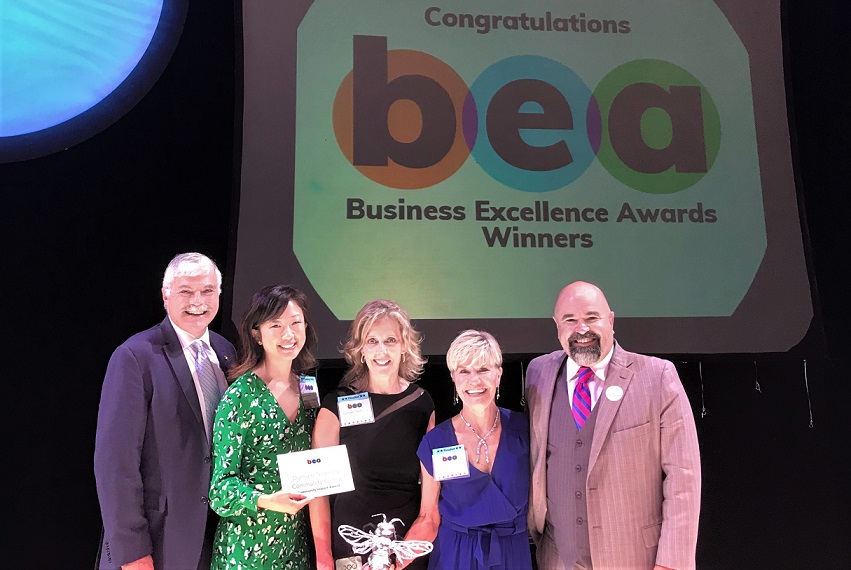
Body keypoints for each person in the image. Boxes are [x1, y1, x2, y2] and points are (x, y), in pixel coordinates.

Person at [526, 281, 701, 570]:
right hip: (557, 559)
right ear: (557, 326)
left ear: (611, 320)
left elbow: (683, 478)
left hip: (635, 559)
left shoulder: (657, 377)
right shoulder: (539, 374)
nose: (581, 328)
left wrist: (672, 563)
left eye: (592, 317)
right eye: (570, 320)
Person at [95, 253, 236, 570]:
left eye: (208, 290)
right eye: (186, 291)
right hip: (159, 542)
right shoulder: (134, 356)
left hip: (217, 538)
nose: (198, 301)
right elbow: (115, 463)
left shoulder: (227, 353)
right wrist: (131, 552)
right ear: (165, 294)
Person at [311, 300, 435, 570]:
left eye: (390, 340)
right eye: (372, 341)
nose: (382, 350)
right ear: (360, 350)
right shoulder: (335, 405)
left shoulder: (423, 404)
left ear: (404, 347)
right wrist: (323, 556)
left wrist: (396, 560)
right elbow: (319, 494)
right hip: (349, 546)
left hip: (405, 545)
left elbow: (430, 508)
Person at [208, 284, 319, 569]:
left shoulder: (309, 388)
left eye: (296, 323)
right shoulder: (239, 397)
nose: (288, 334)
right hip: (247, 550)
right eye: (276, 325)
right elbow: (220, 490)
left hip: (296, 549)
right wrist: (268, 500)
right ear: (257, 333)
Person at [410, 330, 532, 570]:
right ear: (453, 378)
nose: (474, 380)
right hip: (454, 555)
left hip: (512, 554)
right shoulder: (436, 442)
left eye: (483, 370)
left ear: (499, 375)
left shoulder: (526, 430)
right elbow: (428, 517)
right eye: (464, 371)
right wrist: (393, 560)